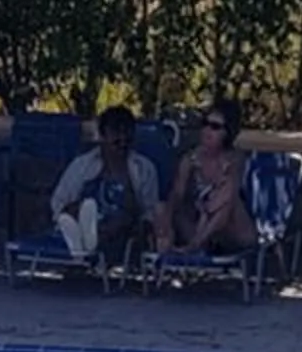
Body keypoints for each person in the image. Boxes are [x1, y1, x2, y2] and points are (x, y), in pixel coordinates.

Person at [49, 104, 162, 271]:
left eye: (127, 133)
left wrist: (137, 218)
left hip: (122, 225)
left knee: (118, 222)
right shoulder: (83, 165)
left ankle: (83, 250)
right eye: (116, 133)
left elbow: (150, 210)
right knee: (81, 210)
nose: (123, 139)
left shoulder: (143, 168)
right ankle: (85, 242)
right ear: (102, 136)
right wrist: (75, 209)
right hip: (86, 217)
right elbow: (59, 202)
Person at [157, 100, 256, 261]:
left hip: (234, 231)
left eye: (215, 127)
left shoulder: (235, 159)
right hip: (202, 227)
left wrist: (207, 210)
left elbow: (228, 192)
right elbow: (177, 194)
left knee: (227, 197)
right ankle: (187, 245)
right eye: (205, 124)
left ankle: (195, 245)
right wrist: (166, 221)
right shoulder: (190, 159)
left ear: (228, 132)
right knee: (168, 206)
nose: (207, 130)